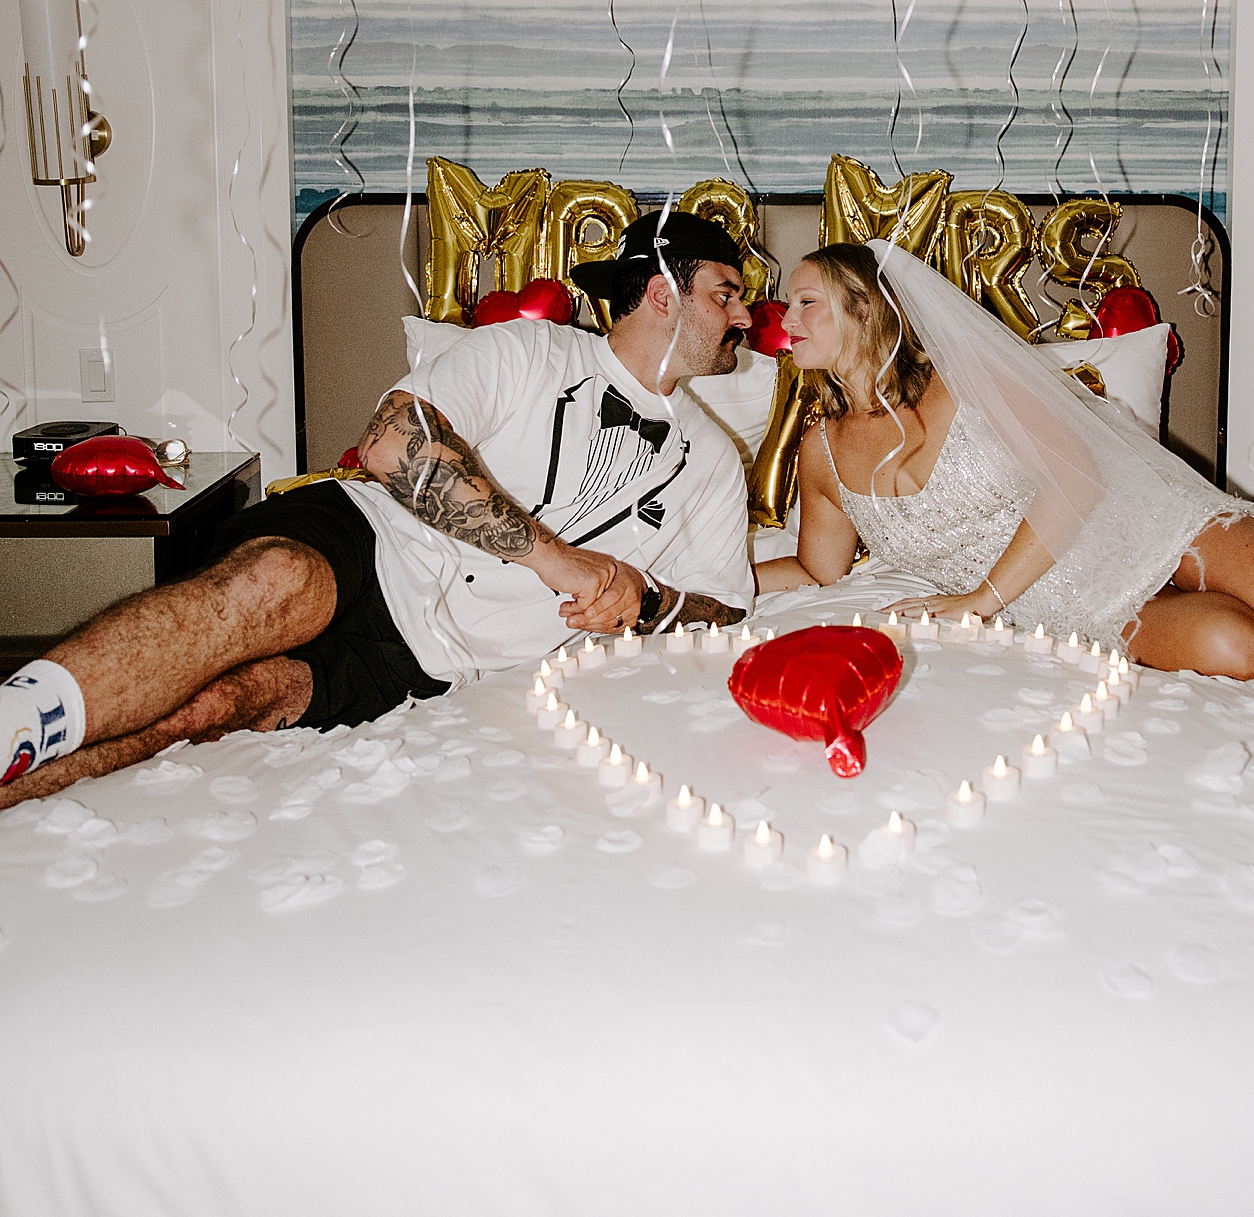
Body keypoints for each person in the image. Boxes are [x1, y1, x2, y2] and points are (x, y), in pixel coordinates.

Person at [0, 211, 756, 808]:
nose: (747, 317)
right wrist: (557, 561)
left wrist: (646, 596)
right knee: (272, 584)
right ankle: (14, 721)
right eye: (727, 293)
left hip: (432, 661)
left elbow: (725, 610)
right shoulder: (527, 353)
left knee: (225, 705)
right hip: (371, 538)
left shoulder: (715, 461)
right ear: (663, 293)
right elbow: (393, 446)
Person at [754, 243, 1254, 715]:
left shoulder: (965, 383)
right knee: (1253, 655)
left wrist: (977, 601)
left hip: (1139, 525)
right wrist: (709, 576)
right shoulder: (820, 451)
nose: (784, 318)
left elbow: (1078, 483)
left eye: (805, 299)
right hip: (1067, 599)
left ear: (864, 307)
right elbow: (818, 570)